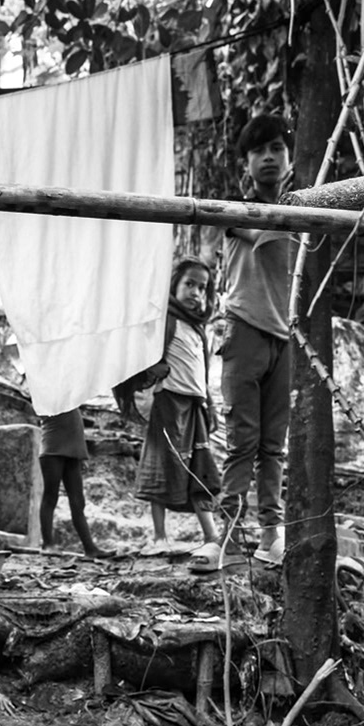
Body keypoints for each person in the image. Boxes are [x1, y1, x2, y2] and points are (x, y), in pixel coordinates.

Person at [192, 111, 296, 573]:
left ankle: (271, 536)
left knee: (274, 446)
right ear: (246, 165)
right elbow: (262, 232)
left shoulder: (307, 209)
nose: (268, 158)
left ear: (290, 156)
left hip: (285, 337)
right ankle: (224, 540)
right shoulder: (239, 212)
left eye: (276, 148)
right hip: (242, 331)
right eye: (258, 152)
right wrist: (304, 210)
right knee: (242, 442)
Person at [134, 255, 222, 552]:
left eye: (202, 287)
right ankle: (160, 538)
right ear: (174, 284)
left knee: (201, 468)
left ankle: (211, 537)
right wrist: (152, 370)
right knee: (163, 466)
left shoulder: (198, 328)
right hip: (168, 403)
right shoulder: (164, 320)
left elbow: (202, 371)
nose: (196, 292)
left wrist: (209, 404)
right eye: (189, 284)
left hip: (194, 407)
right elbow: (141, 354)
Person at [39, 407, 102, 556]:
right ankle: (47, 544)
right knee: (50, 496)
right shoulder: (47, 393)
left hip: (72, 451)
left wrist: (80, 453)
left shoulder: (70, 396)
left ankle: (90, 548)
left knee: (78, 501)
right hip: (52, 449)